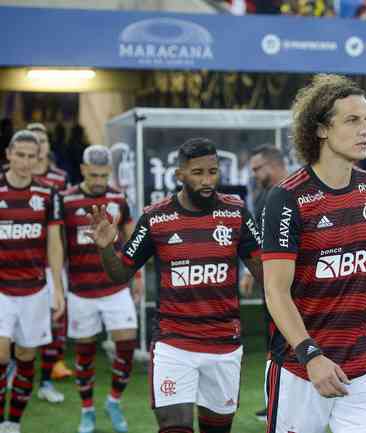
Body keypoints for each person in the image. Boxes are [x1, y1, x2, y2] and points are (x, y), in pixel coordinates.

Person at [86, 138, 263, 433]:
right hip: (174, 343)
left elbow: (265, 273)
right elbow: (120, 273)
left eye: (213, 171)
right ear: (179, 175)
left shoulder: (236, 213)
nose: (207, 180)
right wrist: (106, 248)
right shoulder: (156, 218)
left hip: (223, 344)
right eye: (198, 173)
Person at [262, 74, 366, 433]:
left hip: (362, 366)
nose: (364, 130)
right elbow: (275, 291)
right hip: (300, 368)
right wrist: (311, 355)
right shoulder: (287, 198)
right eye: (352, 120)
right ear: (321, 129)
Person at [61, 145, 143, 433]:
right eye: (93, 174)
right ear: (82, 170)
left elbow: (132, 237)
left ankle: (113, 401)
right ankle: (87, 410)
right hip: (80, 290)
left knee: (127, 345)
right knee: (84, 351)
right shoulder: (66, 200)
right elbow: (58, 244)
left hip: (115, 286)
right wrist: (59, 286)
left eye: (103, 174)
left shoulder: (118, 198)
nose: (98, 180)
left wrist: (138, 276)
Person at [0, 130, 65, 433]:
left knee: (27, 356)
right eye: (20, 155)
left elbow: (54, 244)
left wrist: (58, 289)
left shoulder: (47, 195)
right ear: (8, 154)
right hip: (1, 289)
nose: (26, 162)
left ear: (39, 158)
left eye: (32, 156)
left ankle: (13, 422)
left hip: (34, 289)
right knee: (1, 354)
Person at [25, 123, 73, 405]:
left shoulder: (60, 178)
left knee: (56, 322)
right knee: (22, 325)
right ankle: (18, 376)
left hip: (53, 262)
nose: (39, 146)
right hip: (21, 265)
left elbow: (64, 223)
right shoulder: (14, 178)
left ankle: (45, 380)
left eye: (42, 140)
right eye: (34, 141)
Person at [242, 144, 288, 422]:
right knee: (274, 342)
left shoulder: (294, 192)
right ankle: (275, 400)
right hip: (271, 286)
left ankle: (286, 401)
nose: (254, 174)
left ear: (273, 164)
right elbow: (259, 240)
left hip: (295, 286)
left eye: (258, 168)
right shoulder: (262, 197)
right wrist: (250, 272)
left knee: (292, 343)